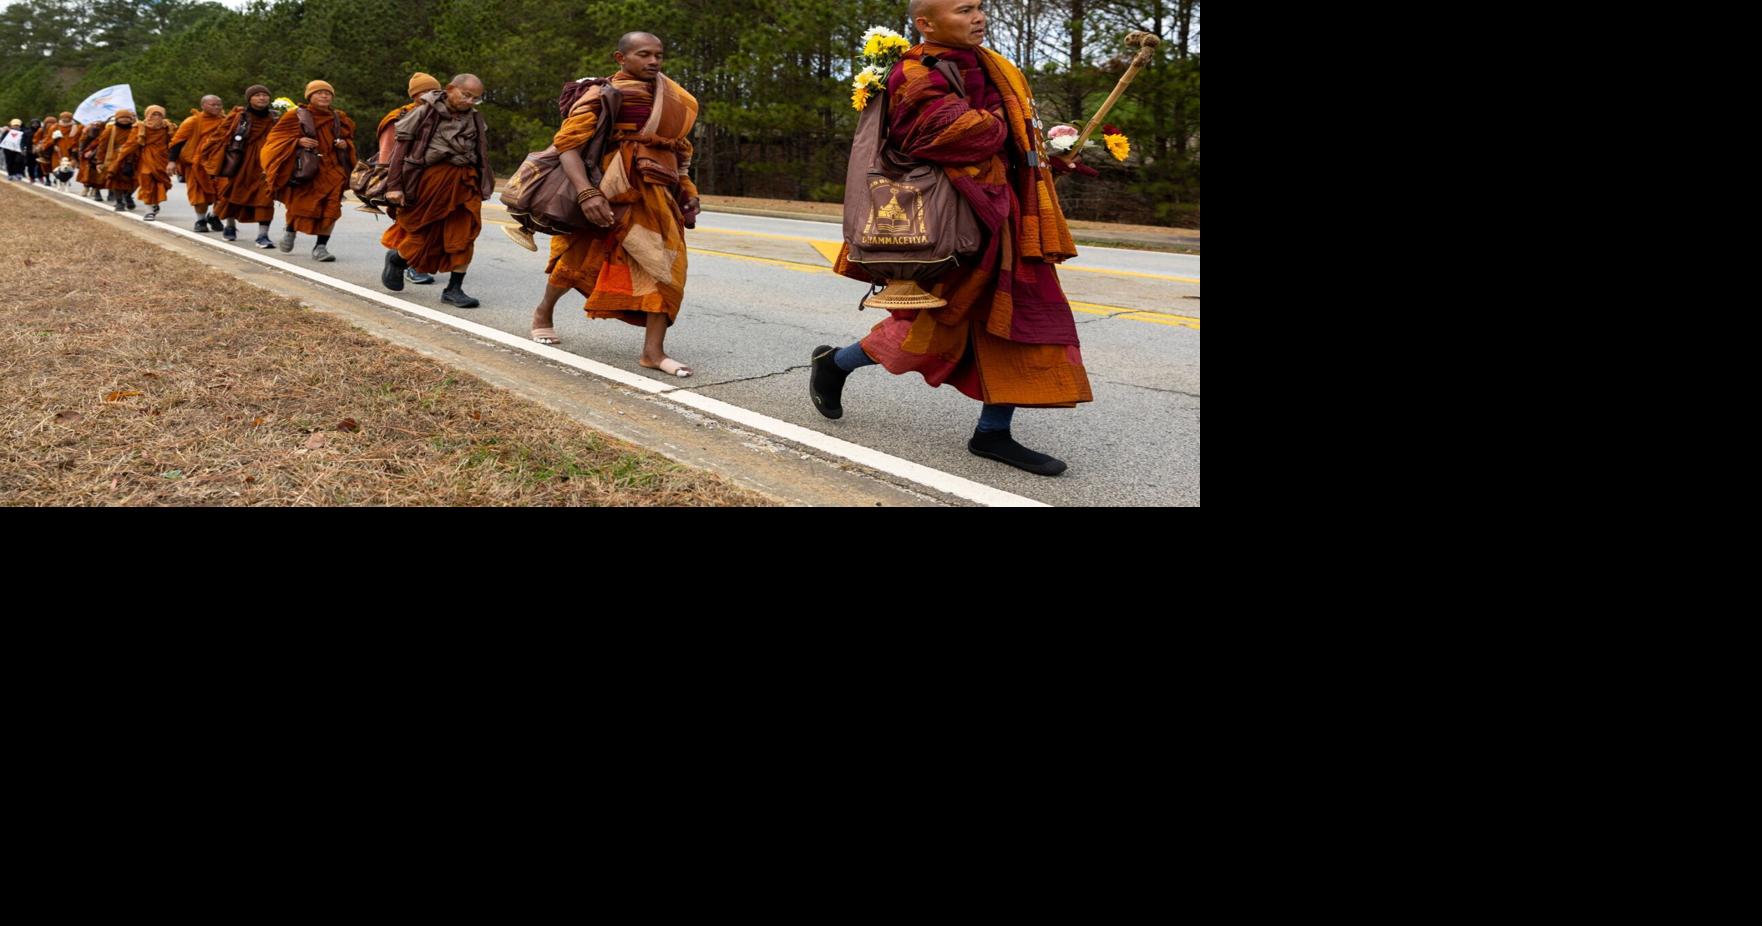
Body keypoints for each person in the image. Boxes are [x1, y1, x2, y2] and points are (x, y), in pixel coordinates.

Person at [812, 0, 1094, 476]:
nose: (978, 17)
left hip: (1003, 217)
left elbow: (1002, 138)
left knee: (1016, 319)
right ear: (926, 23)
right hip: (954, 223)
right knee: (930, 327)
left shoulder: (995, 66)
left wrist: (1042, 154)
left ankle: (992, 433)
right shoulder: (913, 72)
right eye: (964, 10)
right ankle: (836, 363)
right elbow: (945, 132)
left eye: (979, 7)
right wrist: (1013, 130)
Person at [526, 32, 701, 373]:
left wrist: (688, 189)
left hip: (658, 195)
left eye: (658, 55)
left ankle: (653, 352)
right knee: (578, 258)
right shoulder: (602, 93)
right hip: (607, 191)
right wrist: (586, 193)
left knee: (665, 267)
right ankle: (543, 312)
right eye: (644, 54)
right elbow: (567, 146)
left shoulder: (673, 98)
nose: (654, 61)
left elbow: (680, 151)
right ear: (621, 58)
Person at [260, 80, 357, 261]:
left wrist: (345, 144)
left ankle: (321, 247)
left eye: (328, 93)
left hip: (333, 170)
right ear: (309, 96)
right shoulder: (295, 116)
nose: (324, 96)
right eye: (319, 93)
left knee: (332, 210)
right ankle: (291, 230)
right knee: (300, 206)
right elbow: (274, 140)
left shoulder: (339, 117)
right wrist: (297, 141)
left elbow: (348, 138)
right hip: (307, 170)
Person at [210, 85, 280, 245]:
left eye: (265, 95)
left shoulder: (275, 118)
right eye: (257, 95)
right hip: (241, 164)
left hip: (266, 165)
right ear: (249, 99)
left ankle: (263, 235)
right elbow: (220, 136)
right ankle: (230, 225)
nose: (262, 98)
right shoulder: (239, 116)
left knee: (266, 199)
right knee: (234, 195)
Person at [170, 94, 229, 232]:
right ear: (203, 105)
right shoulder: (193, 121)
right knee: (199, 195)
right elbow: (178, 142)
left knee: (225, 193)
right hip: (196, 164)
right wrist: (171, 161)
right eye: (213, 105)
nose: (217, 107)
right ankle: (200, 220)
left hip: (220, 163)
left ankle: (214, 216)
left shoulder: (226, 121)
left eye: (219, 105)